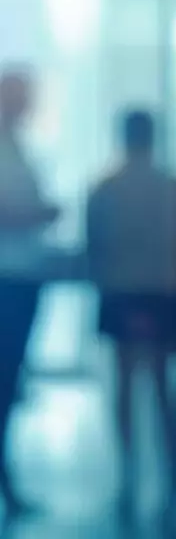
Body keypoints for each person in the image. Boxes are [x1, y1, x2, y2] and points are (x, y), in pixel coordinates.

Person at [86, 109, 176, 523]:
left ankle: (129, 465)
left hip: (122, 290)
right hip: (165, 293)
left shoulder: (104, 189)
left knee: (124, 382)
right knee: (161, 382)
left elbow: (94, 246)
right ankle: (171, 465)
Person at [0, 68, 60, 514]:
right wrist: (37, 213)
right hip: (6, 280)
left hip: (20, 278)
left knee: (8, 383)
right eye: (21, 96)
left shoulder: (17, 148)